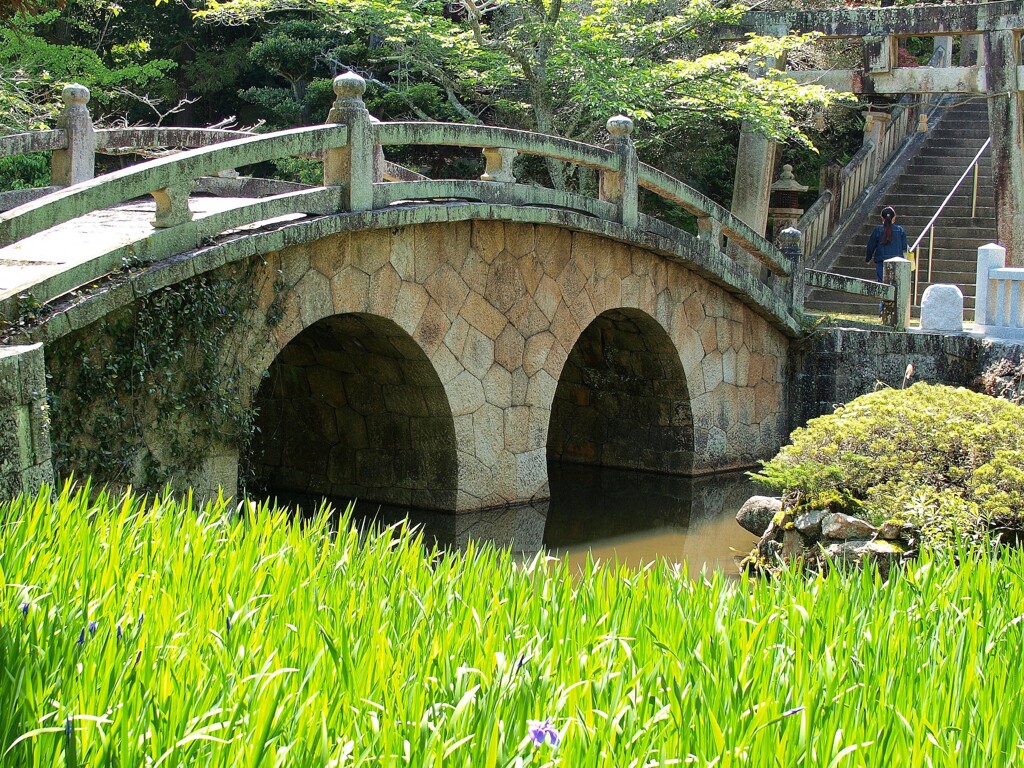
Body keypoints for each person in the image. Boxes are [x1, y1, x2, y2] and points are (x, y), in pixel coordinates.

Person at [865, 205, 909, 282]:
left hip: (882, 261)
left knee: (882, 284)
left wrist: (868, 259)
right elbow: (904, 248)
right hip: (898, 262)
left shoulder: (878, 230)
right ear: (894, 218)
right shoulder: (900, 230)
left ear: (882, 218)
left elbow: (871, 246)